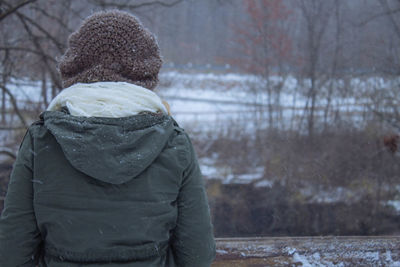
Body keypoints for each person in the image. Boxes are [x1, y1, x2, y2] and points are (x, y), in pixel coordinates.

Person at [0, 10, 216, 267]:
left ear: (75, 67)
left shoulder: (43, 139)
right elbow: (198, 254)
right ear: (145, 72)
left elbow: (12, 251)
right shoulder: (174, 142)